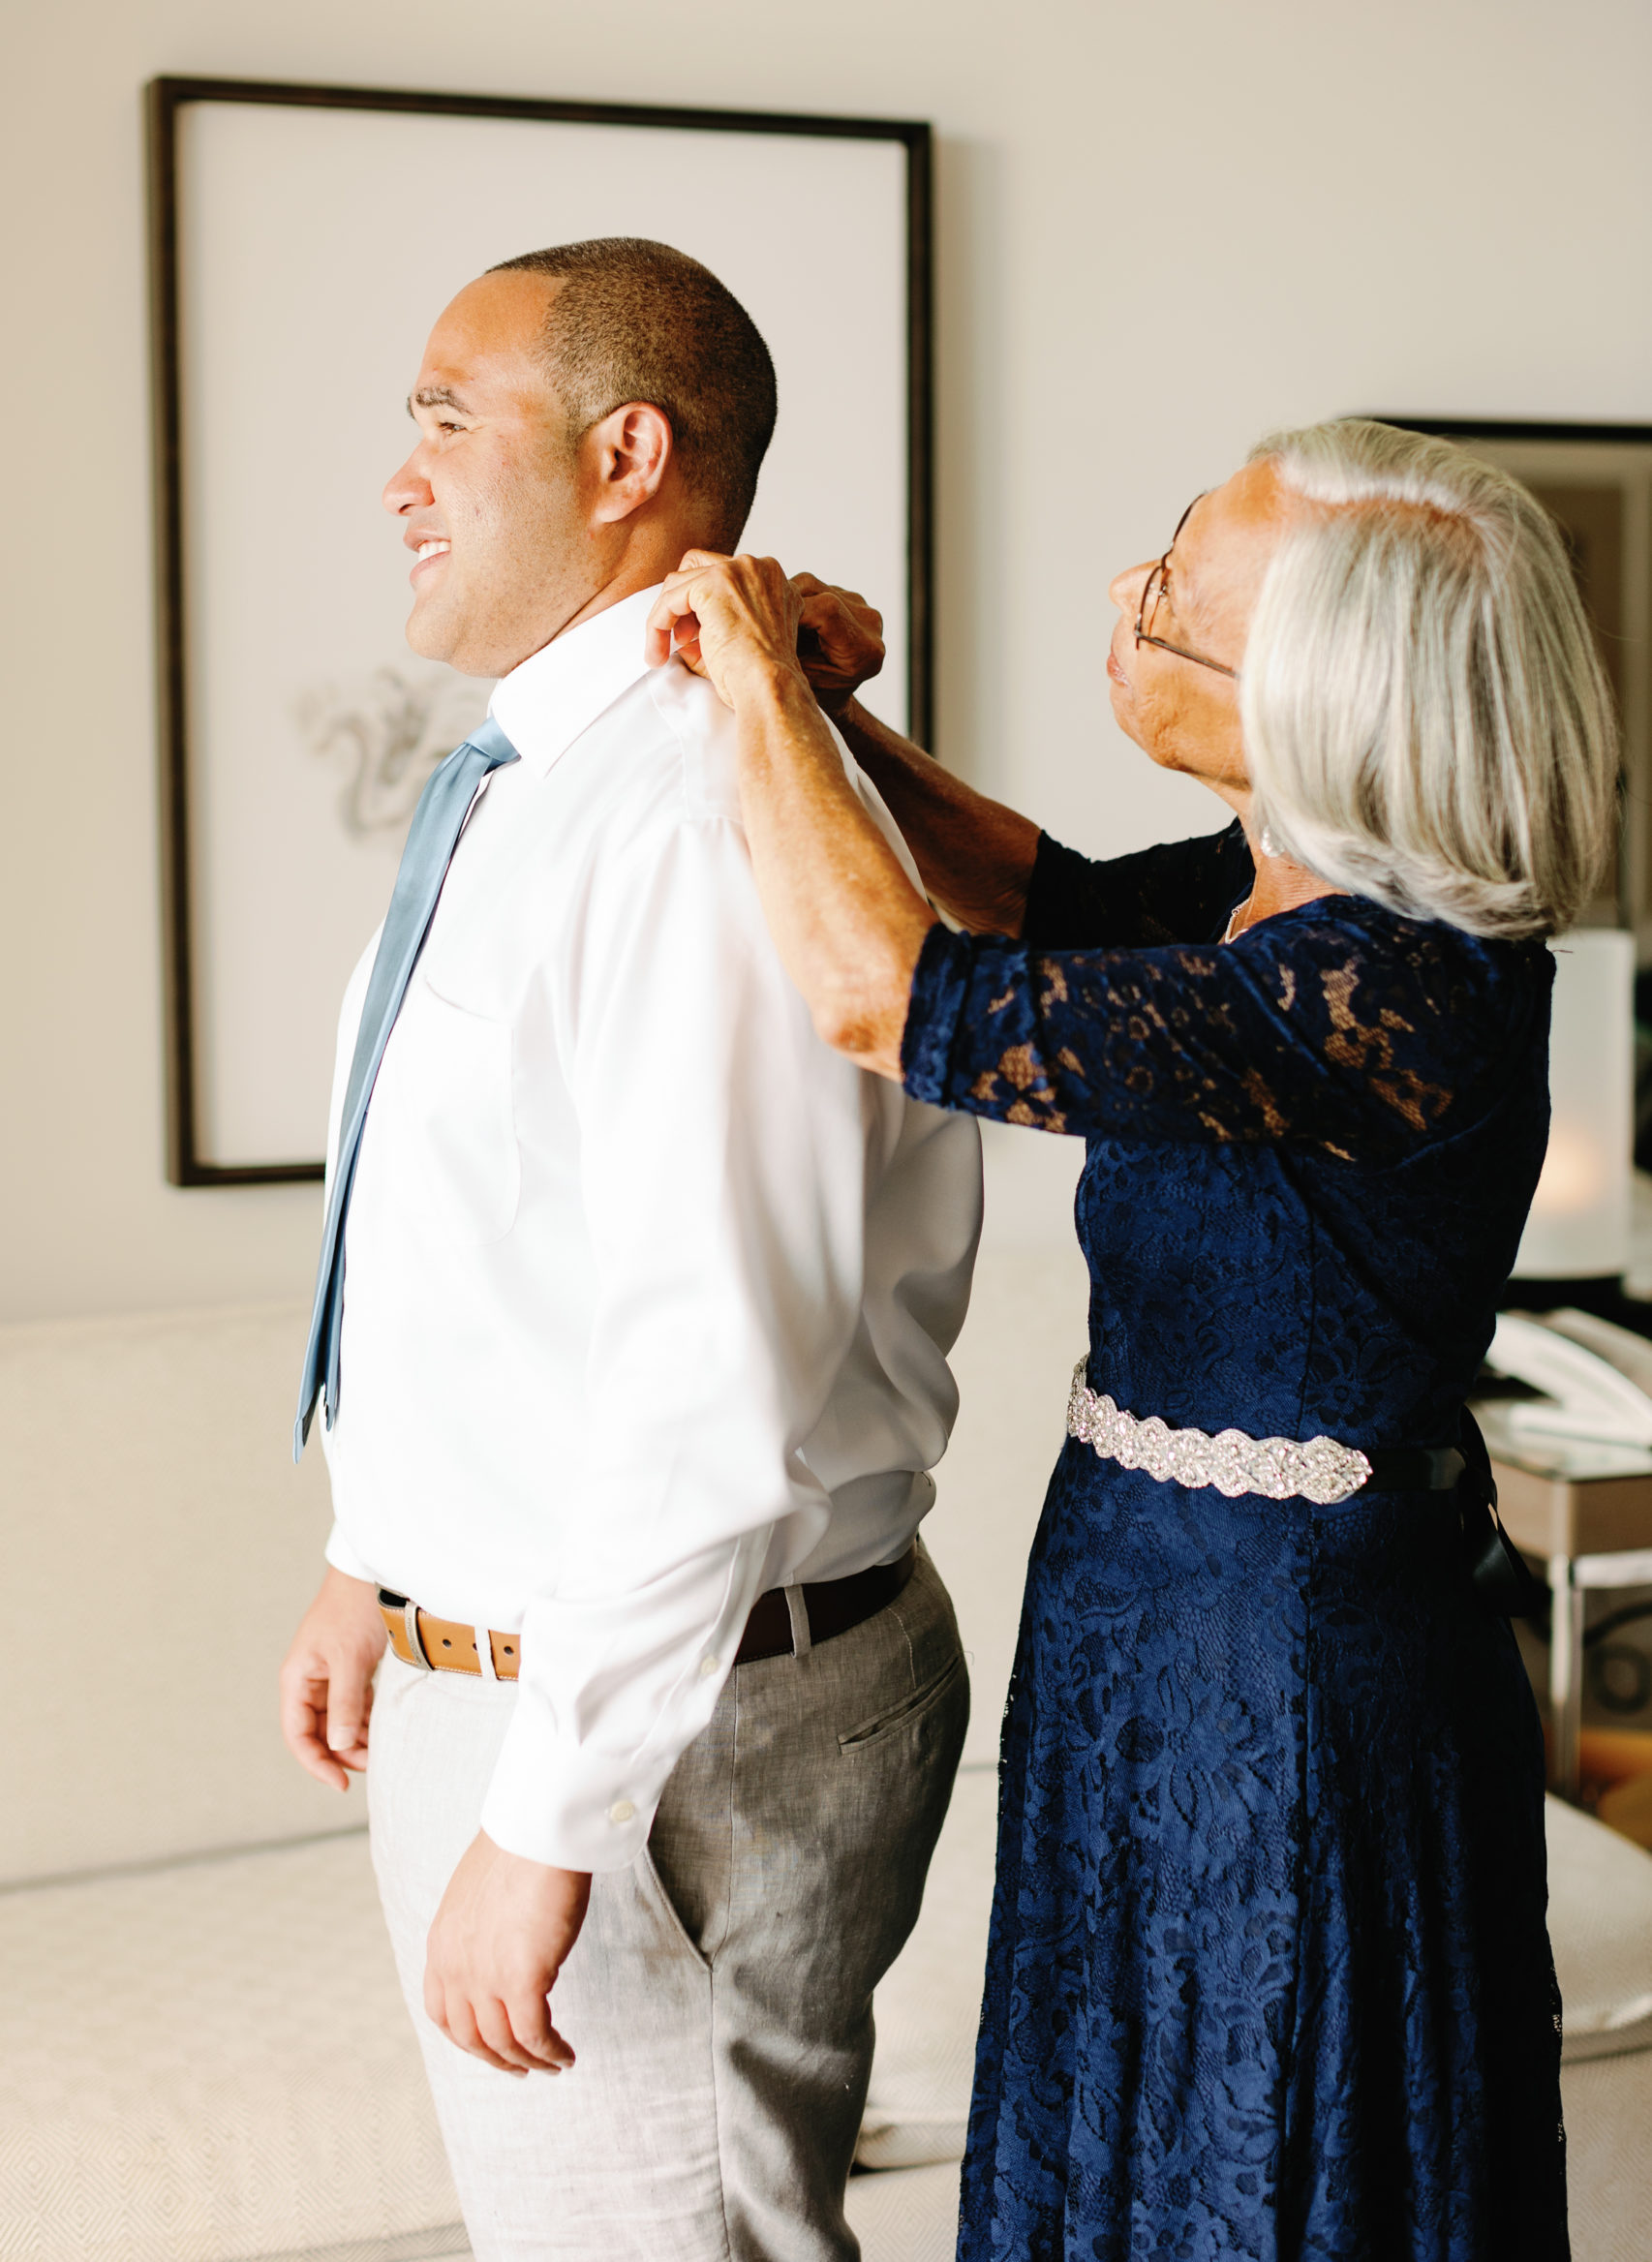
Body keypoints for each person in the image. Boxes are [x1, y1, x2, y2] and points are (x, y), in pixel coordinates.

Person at [644, 417, 1621, 2262]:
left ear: (1317, 702)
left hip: (1297, 1660)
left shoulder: (1393, 982)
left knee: (1264, 2132)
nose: (1125, 597)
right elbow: (1038, 906)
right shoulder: (1266, 893)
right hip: (1138, 1607)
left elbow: (888, 996)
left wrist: (753, 682)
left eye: (1173, 592)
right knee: (1124, 2108)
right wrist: (840, 723)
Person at [277, 236, 984, 2262]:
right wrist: (375, 1547)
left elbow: (711, 1369)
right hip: (503, 1651)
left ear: (623, 454)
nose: (398, 475)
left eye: (442, 419)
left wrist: (550, 1807)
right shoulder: (538, 778)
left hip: (665, 1724)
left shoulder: (694, 809)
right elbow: (491, 1238)